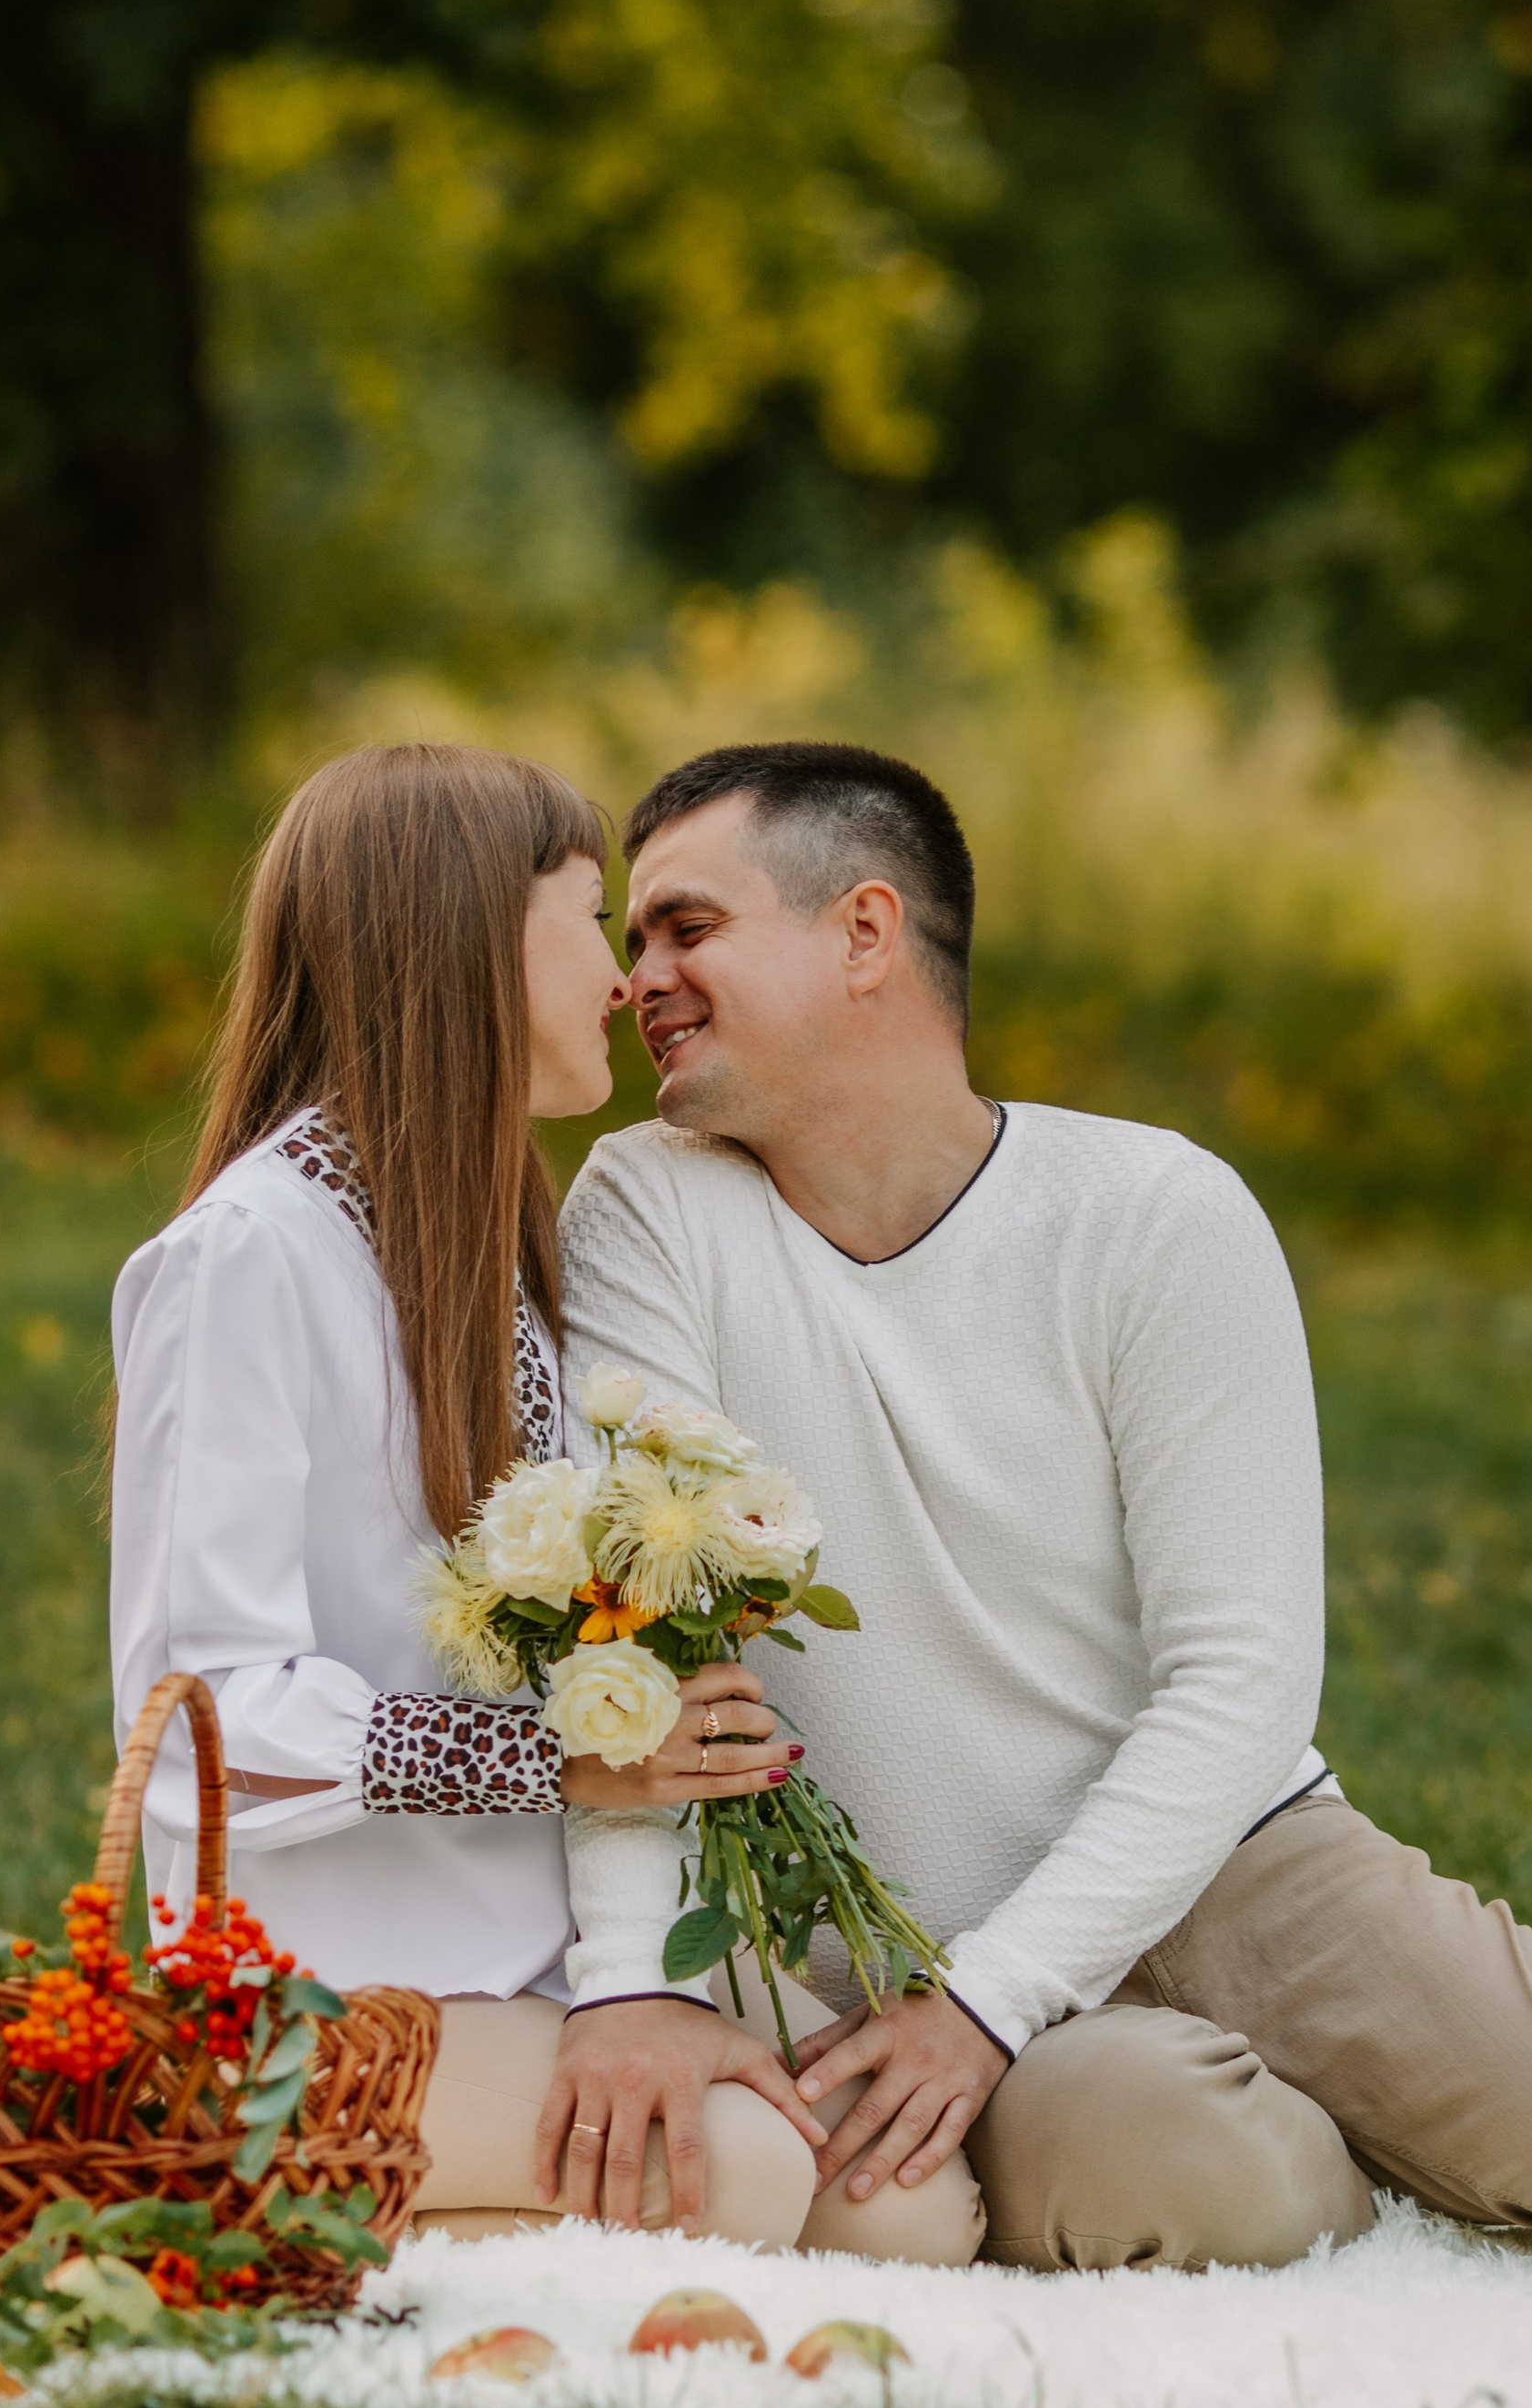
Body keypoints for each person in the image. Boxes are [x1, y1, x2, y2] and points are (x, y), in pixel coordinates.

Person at [559, 738, 1532, 2270]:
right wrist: (676, 1978)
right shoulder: (645, 1209)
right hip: (881, 1948)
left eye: (687, 927)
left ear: (866, 932)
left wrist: (994, 2003)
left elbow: (1243, 1680)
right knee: (1200, 2180)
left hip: (1232, 1867)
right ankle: (1366, 2152)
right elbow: (648, 1644)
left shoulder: (1154, 1213)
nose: (640, 981)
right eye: (630, 943)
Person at [107, 739, 983, 2264]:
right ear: (463, 942)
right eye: (593, 922)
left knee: (915, 2211)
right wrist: (550, 1752)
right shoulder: (253, 1257)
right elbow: (194, 1717)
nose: (625, 980)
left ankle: (356, 2218)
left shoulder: (496, 1245)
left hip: (509, 1959)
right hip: (316, 1988)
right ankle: (232, 2204)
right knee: (753, 2181)